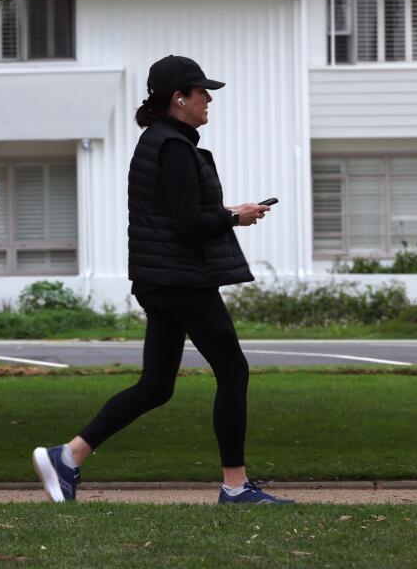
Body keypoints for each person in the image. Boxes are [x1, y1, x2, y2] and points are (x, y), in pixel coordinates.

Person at [31, 55, 292, 505]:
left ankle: (68, 457)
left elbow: (178, 216)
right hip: (180, 279)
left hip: (161, 278)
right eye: (201, 92)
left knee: (156, 386)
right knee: (233, 370)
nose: (208, 99)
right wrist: (235, 214)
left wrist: (231, 213)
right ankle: (235, 486)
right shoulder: (171, 146)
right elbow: (188, 222)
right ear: (179, 98)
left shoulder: (162, 141)